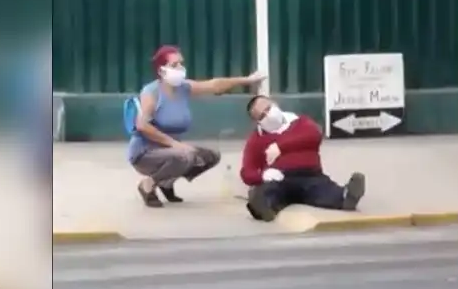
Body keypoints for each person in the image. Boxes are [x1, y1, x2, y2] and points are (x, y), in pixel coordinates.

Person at [128, 45, 266, 208]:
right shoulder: (151, 92)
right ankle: (147, 185)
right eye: (174, 65)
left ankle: (166, 182)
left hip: (172, 152)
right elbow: (141, 125)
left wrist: (247, 80)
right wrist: (174, 144)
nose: (180, 68)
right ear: (161, 71)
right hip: (145, 154)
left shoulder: (183, 88)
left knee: (209, 157)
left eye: (181, 63)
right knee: (186, 156)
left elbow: (215, 85)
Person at [240, 95, 366, 221]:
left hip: (310, 175)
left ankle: (347, 196)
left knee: (323, 189)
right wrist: (262, 176)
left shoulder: (300, 122)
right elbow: (246, 172)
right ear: (257, 122)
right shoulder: (255, 141)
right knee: (271, 191)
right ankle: (262, 207)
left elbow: (314, 135)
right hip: (281, 179)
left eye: (268, 108)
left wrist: (281, 147)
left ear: (275, 104)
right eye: (262, 116)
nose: (268, 115)